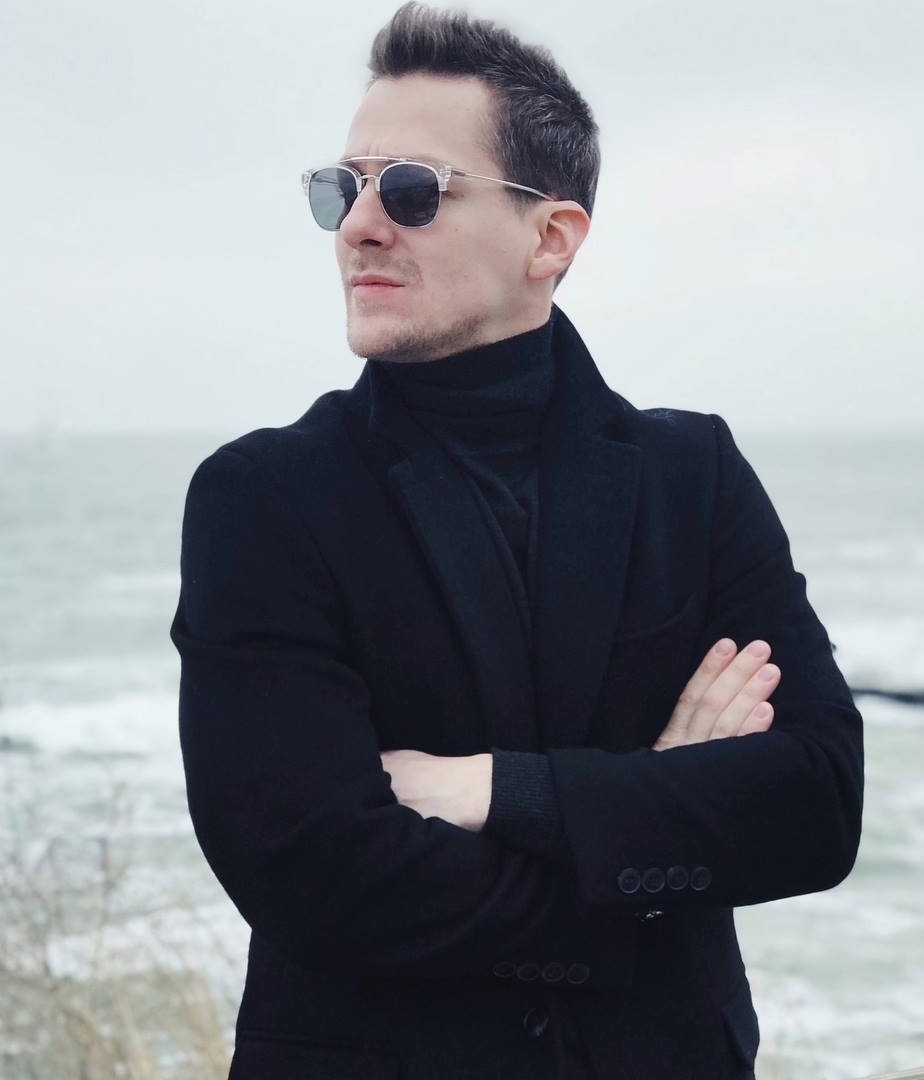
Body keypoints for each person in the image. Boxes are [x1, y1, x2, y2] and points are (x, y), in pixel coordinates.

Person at [169, 3, 864, 1078]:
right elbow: (313, 870)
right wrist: (646, 828)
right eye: (341, 188)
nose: (360, 226)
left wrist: (500, 790)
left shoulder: (693, 475)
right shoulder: (264, 497)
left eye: (411, 188)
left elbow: (817, 805)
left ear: (552, 237)